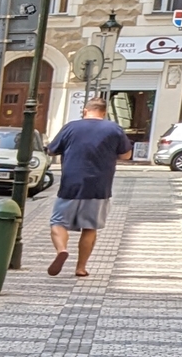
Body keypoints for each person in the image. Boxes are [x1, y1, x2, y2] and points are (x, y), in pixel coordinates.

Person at [45, 96, 130, 277]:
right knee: (90, 228)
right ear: (104, 112)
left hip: (71, 184)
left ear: (85, 111)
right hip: (99, 186)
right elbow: (126, 155)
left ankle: (62, 250)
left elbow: (52, 150)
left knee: (58, 222)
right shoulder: (114, 129)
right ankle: (81, 268)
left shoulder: (71, 127)